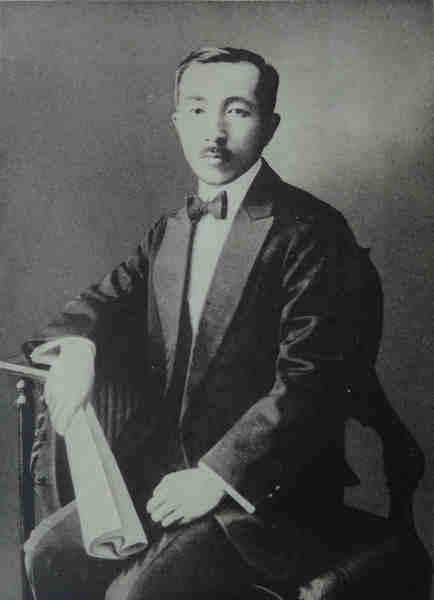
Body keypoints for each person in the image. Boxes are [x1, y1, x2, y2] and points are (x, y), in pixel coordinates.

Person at [23, 47, 371, 600]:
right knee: (47, 553)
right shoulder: (171, 230)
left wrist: (216, 476)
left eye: (238, 111)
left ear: (271, 124)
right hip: (163, 475)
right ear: (177, 121)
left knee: (137, 593)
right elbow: (103, 300)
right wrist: (80, 349)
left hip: (267, 492)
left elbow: (311, 381)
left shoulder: (312, 232)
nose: (214, 131)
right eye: (198, 109)